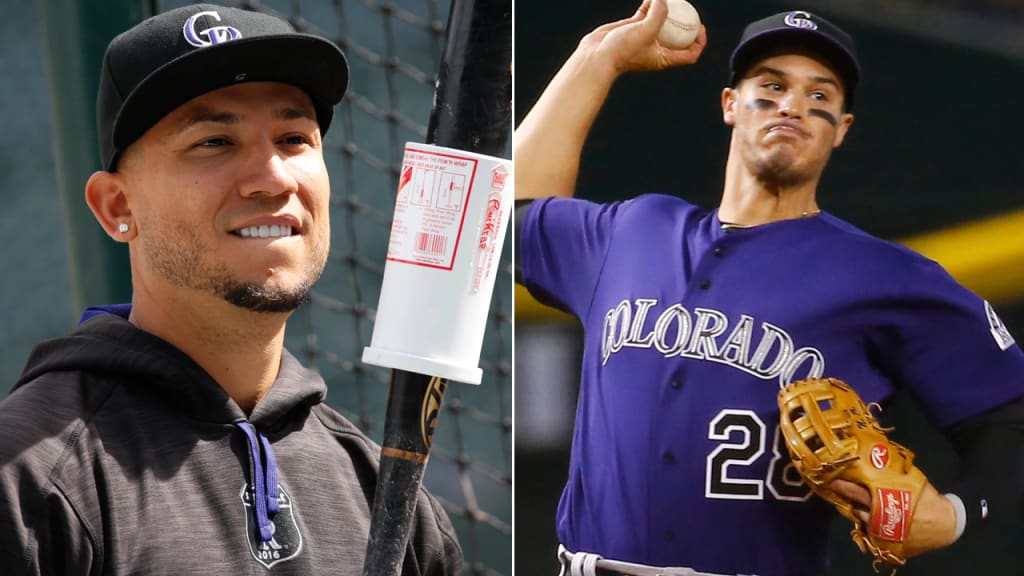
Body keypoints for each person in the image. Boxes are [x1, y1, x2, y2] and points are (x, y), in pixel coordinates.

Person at [514, 1, 1024, 575]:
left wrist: (957, 515)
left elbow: (1011, 418)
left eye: (819, 94)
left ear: (841, 129)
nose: (792, 104)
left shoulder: (884, 276)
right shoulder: (633, 231)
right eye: (773, 85)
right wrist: (596, 59)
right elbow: (508, 214)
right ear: (730, 104)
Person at [0, 4, 461, 574]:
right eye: (215, 142)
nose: (274, 178)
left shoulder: (385, 496)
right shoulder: (29, 480)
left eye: (294, 138)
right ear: (117, 206)